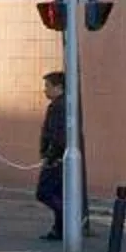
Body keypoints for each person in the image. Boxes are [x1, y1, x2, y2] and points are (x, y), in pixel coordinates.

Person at [36, 71, 88, 240]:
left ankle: (69, 220)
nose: (45, 90)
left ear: (58, 87)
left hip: (57, 158)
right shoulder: (63, 105)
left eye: (47, 86)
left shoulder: (58, 107)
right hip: (59, 156)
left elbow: (57, 135)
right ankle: (59, 229)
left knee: (44, 192)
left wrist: (50, 155)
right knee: (58, 194)